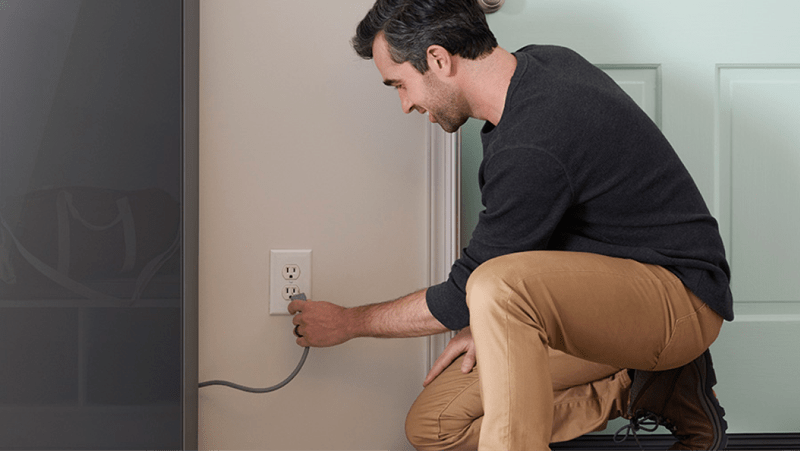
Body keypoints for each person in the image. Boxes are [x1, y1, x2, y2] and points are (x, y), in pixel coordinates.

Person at [288, 0, 734, 449]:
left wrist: (350, 322)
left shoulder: (533, 141)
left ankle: (656, 370)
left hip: (679, 301)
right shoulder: (542, 64)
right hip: (596, 302)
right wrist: (495, 319)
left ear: (439, 60)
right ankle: (654, 389)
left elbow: (466, 292)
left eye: (400, 84)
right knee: (434, 426)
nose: (405, 105)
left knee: (492, 286)